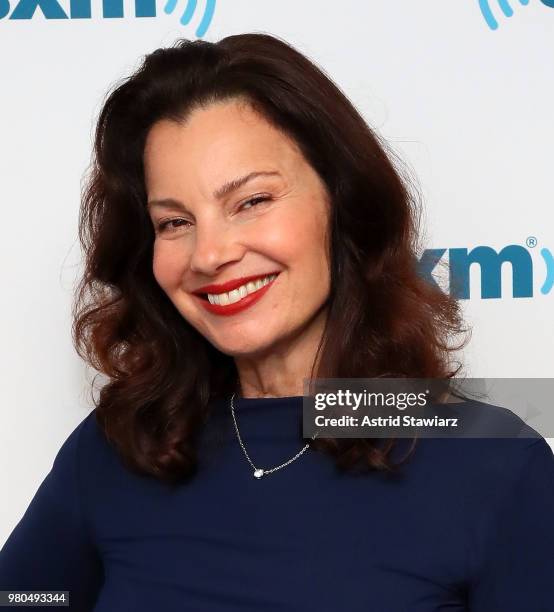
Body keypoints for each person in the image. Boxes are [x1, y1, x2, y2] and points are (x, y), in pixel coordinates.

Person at [1, 33, 553, 611]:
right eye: (173, 222)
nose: (209, 254)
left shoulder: (492, 460)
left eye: (252, 201)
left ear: (341, 203)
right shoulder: (122, 447)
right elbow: (23, 598)